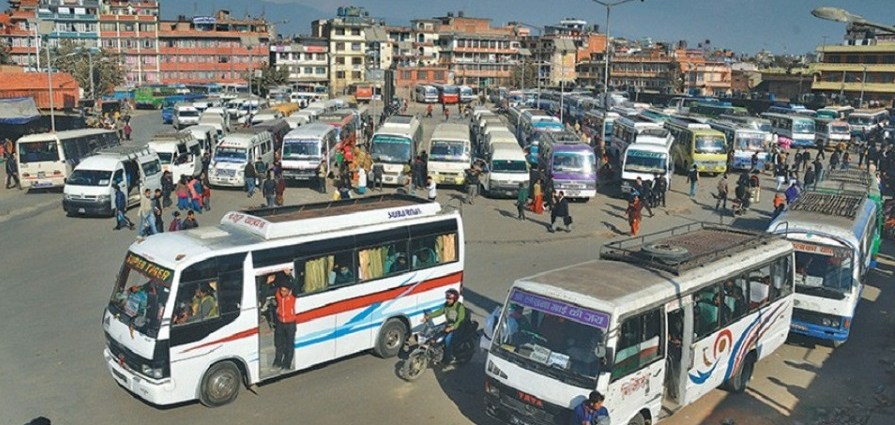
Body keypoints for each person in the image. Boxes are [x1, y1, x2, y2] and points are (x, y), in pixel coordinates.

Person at [423, 288, 467, 364]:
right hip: (448, 325)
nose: (448, 300)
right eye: (447, 298)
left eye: (450, 299)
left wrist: (452, 327)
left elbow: (461, 320)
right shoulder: (446, 305)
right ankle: (437, 352)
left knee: (447, 341)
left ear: (455, 299)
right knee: (434, 335)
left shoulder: (460, 307)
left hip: (458, 327)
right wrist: (429, 316)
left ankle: (449, 358)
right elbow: (439, 312)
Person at [273, 278, 298, 370]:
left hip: (290, 323)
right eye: (281, 290)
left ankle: (287, 363)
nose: (282, 293)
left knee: (289, 344)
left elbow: (295, 285)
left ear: (289, 291)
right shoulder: (278, 294)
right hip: (280, 322)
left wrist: (289, 275)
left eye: (285, 291)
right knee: (279, 343)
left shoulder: (292, 296)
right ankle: (278, 361)